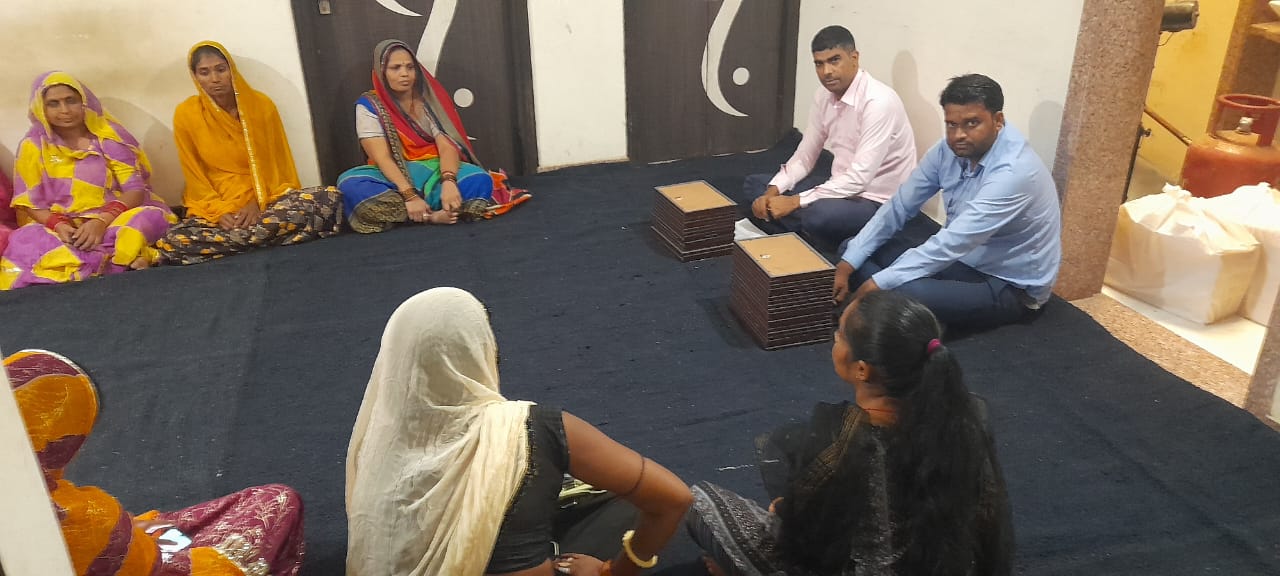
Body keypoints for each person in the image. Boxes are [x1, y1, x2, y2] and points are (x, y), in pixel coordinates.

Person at [345, 287, 692, 575]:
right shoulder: (526, 428)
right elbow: (673, 499)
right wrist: (613, 572)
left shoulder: (374, 444)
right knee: (623, 502)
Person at [687, 291, 1013, 575]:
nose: (834, 338)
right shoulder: (967, 415)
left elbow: (807, 544)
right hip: (947, 564)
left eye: (840, 334)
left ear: (861, 369)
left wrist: (784, 511)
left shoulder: (844, 442)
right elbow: (986, 517)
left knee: (698, 502)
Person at [4, 349, 305, 575]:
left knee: (159, 528)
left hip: (121, 549)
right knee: (275, 501)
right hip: (145, 562)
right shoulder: (83, 518)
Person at [832, 74, 1062, 332]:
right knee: (852, 249)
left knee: (904, 290)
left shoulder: (1015, 172)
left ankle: (910, 310)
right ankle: (916, 315)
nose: (958, 135)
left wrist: (875, 284)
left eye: (972, 123)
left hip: (1008, 284)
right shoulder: (948, 150)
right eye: (951, 124)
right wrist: (848, 264)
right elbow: (899, 207)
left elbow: (953, 242)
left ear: (998, 120)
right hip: (959, 260)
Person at [157, 41, 341, 265]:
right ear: (195, 76)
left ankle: (233, 243)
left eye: (221, 69)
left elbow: (276, 167)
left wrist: (257, 203)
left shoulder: (261, 106)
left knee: (328, 198)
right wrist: (221, 213)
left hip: (266, 203)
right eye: (204, 72)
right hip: (217, 209)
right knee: (174, 240)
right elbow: (195, 176)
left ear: (232, 70)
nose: (214, 79)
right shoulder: (186, 114)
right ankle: (264, 238)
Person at [743, 25, 916, 252]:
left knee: (818, 215)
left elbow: (859, 179)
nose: (826, 71)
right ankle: (817, 237)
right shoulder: (823, 96)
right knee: (756, 186)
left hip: (877, 201)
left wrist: (795, 202)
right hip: (840, 188)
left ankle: (810, 233)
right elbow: (805, 156)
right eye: (819, 64)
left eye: (835, 60)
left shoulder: (879, 102)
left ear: (854, 58)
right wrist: (772, 194)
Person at [1, 72, 175, 290]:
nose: (65, 110)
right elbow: (31, 202)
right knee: (26, 238)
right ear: (40, 108)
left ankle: (87, 263)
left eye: (71, 100)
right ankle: (120, 259)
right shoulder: (33, 145)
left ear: (84, 101)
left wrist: (101, 222)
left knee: (147, 217)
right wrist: (59, 225)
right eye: (54, 103)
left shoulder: (108, 136)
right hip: (64, 224)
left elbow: (135, 189)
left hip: (113, 216)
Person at [337, 40, 530, 234]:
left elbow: (447, 146)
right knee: (350, 184)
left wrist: (449, 181)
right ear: (381, 72)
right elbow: (382, 158)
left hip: (434, 170)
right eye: (396, 68)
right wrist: (410, 196)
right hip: (392, 175)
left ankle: (418, 212)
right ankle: (432, 215)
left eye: (410, 67)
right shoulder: (369, 105)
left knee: (480, 180)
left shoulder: (429, 100)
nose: (405, 73)